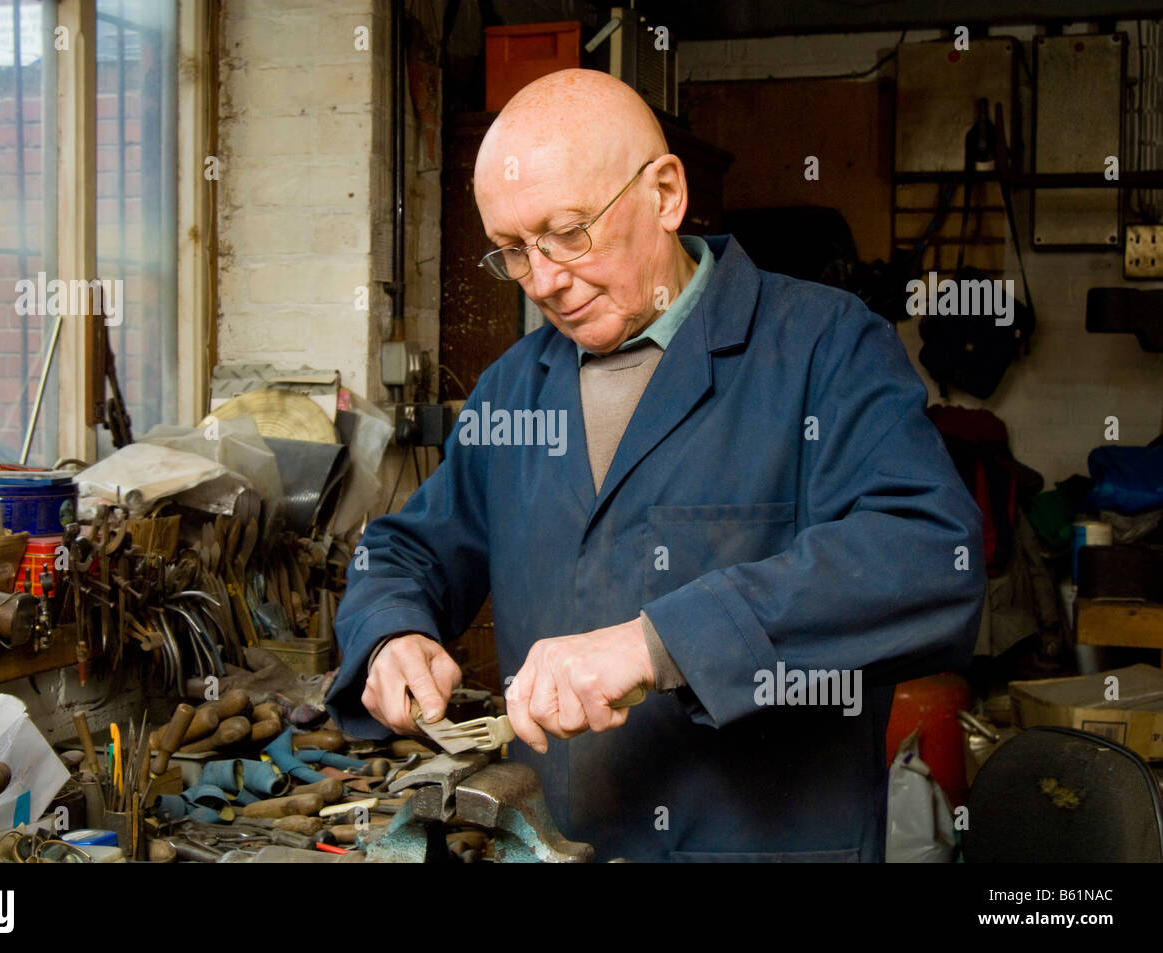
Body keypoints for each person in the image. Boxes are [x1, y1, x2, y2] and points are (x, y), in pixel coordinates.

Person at [326, 69, 984, 861]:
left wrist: (657, 642)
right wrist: (390, 629)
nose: (544, 281)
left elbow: (927, 556)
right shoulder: (516, 386)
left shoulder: (824, 347)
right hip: (554, 844)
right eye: (512, 253)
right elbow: (405, 547)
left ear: (666, 194)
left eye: (568, 233)